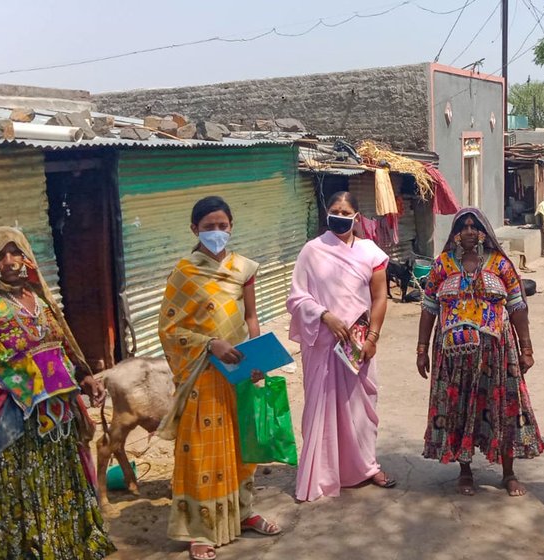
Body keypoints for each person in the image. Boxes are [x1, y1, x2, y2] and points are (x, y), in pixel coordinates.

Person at [0, 226, 115, 559]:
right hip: (12, 419)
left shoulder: (40, 297)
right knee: (18, 486)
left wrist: (84, 376)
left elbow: (60, 345)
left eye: (17, 252)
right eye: (1, 255)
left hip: (56, 414)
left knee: (58, 480)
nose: (11, 261)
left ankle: (62, 546)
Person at [157, 196, 280, 560]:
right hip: (202, 375)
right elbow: (169, 329)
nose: (216, 232)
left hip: (240, 369)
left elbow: (252, 316)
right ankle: (200, 529)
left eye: (222, 226)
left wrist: (258, 358)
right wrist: (210, 344)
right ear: (194, 229)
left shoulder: (244, 267)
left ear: (231, 226)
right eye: (208, 227)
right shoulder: (184, 272)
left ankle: (243, 512)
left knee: (242, 446)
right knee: (202, 452)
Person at [416, 207, 544, 497]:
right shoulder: (443, 265)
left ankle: (508, 472)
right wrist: (421, 349)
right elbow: (428, 309)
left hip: (497, 354)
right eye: (464, 226)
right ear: (456, 233)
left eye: (475, 226)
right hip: (452, 356)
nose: (470, 231)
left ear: (485, 231)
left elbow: (518, 307)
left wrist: (526, 348)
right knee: (457, 409)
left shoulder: (500, 265)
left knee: (504, 408)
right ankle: (465, 471)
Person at [287, 191, 396, 502]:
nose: (339, 215)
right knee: (320, 407)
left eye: (345, 211)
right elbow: (296, 297)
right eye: (334, 210)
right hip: (322, 344)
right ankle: (322, 472)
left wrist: (373, 337)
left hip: (358, 345)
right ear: (327, 214)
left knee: (362, 408)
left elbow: (379, 298)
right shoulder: (311, 251)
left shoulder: (371, 253)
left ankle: (366, 466)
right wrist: (325, 316)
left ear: (356, 217)